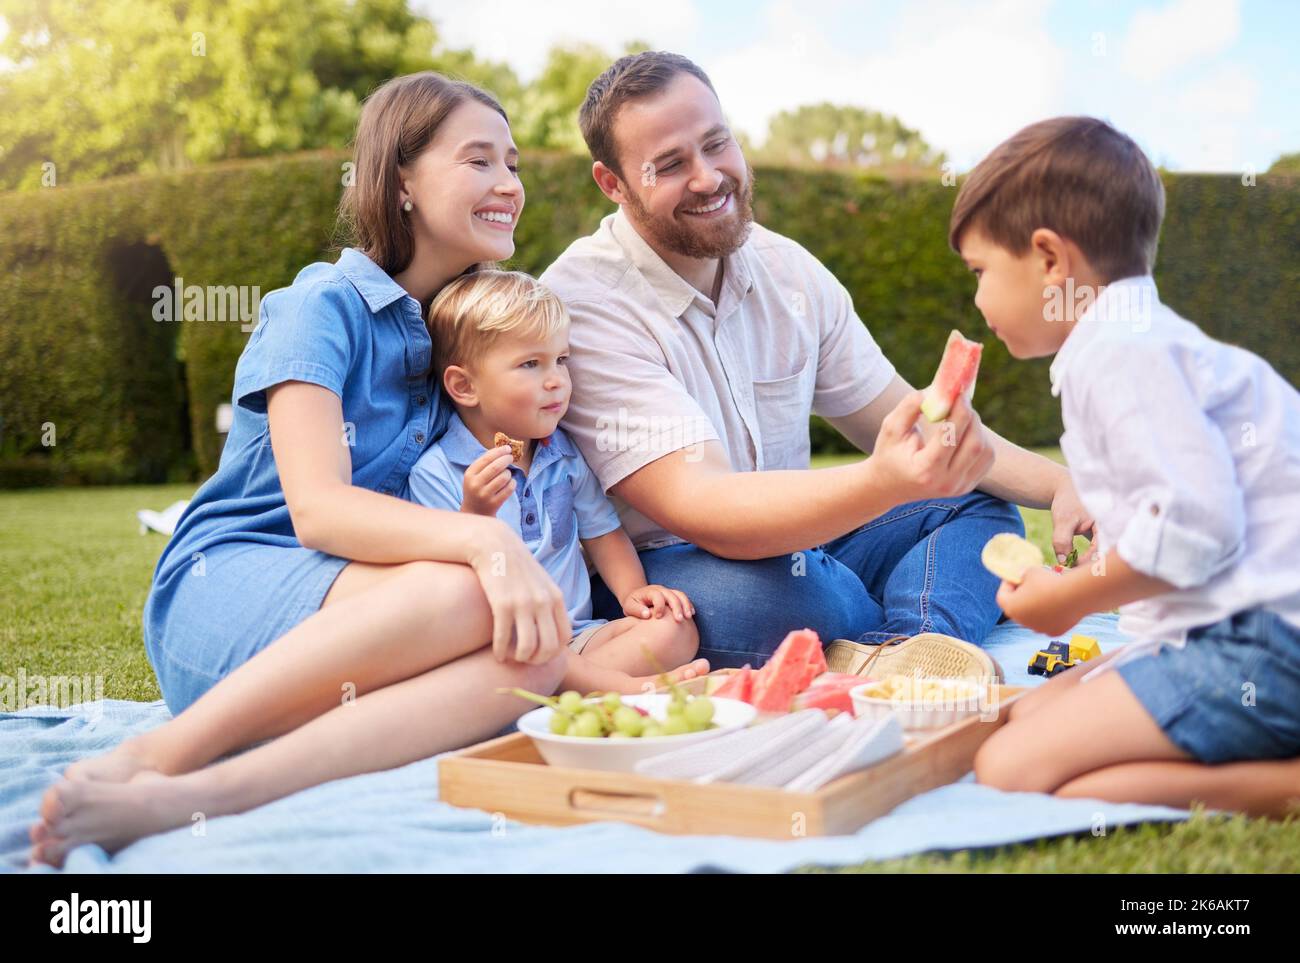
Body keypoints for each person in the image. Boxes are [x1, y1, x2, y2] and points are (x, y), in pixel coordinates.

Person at [30, 72, 573, 866]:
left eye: (514, 164)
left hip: (354, 611)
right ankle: (149, 756)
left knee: (540, 647)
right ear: (400, 183)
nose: (508, 185)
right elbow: (318, 510)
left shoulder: (461, 338)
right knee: (474, 587)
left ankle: (192, 799)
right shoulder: (318, 305)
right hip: (231, 589)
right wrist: (491, 547)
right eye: (480, 161)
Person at [540, 52, 1095, 668]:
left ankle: (907, 648)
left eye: (716, 144)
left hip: (808, 544)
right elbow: (705, 509)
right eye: (670, 165)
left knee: (980, 508)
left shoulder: (788, 270)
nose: (708, 177)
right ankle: (904, 623)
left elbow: (914, 419)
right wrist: (880, 482)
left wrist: (1067, 483)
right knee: (780, 600)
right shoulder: (586, 302)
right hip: (671, 567)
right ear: (612, 184)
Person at [959, 116, 1300, 817]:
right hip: (1234, 633)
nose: (977, 299)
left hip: (1268, 647)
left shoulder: (1120, 352)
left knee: (1008, 765)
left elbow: (1196, 529)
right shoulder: (1131, 340)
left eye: (981, 272)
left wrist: (1070, 596)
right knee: (1023, 719)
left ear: (1050, 259)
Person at [408, 269, 706, 692]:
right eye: (530, 364)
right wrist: (476, 513)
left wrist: (634, 594)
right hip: (504, 646)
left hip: (577, 636)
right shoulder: (437, 472)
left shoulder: (562, 454)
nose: (556, 381)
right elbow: (448, 587)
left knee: (674, 629)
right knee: (517, 667)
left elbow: (604, 534)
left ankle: (581, 690)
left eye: (561, 360)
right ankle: (621, 690)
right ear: (464, 385)